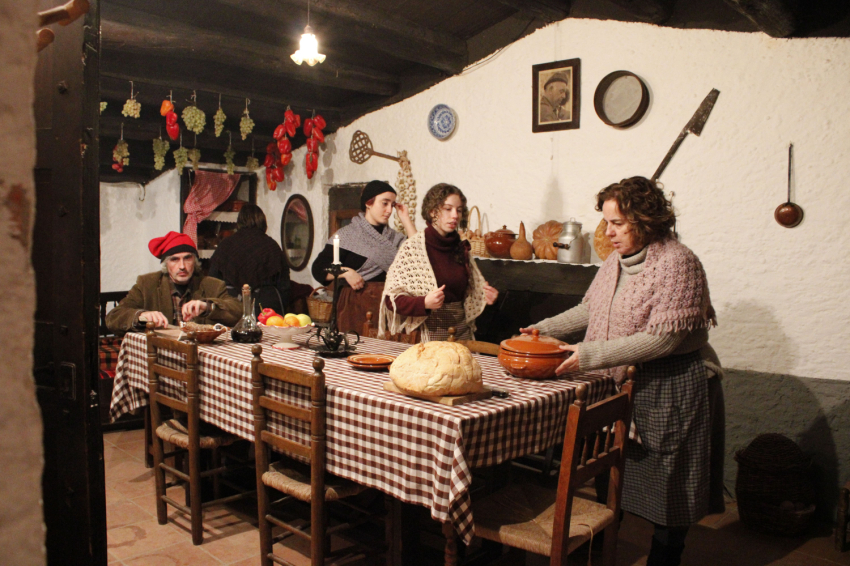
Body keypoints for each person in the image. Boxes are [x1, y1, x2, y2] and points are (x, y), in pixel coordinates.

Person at [524, 176, 724, 566]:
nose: (608, 232)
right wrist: (543, 329)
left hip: (674, 389)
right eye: (606, 222)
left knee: (670, 492)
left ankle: (664, 559)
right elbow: (590, 310)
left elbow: (661, 341)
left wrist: (587, 353)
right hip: (625, 384)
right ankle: (606, 550)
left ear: (645, 220)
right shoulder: (614, 262)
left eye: (617, 223)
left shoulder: (678, 263)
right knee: (614, 480)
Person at [379, 183, 499, 341]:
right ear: (432, 211)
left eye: (459, 210)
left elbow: (470, 291)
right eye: (448, 209)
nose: (455, 215)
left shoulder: (460, 247)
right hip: (427, 335)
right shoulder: (414, 248)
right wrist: (423, 303)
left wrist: (485, 295)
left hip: (461, 333)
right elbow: (391, 299)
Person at [311, 180, 416, 333]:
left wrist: (406, 218)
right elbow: (318, 269)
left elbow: (417, 254)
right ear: (369, 203)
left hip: (388, 308)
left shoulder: (395, 238)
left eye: (392, 205)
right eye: (384, 203)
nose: (389, 210)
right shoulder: (347, 235)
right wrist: (346, 272)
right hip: (355, 308)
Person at [106, 231, 242, 334]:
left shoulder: (213, 285)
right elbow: (113, 317)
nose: (182, 266)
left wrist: (207, 307)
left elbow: (238, 313)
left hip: (199, 356)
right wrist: (141, 315)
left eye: (187, 258)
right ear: (166, 264)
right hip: (161, 354)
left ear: (194, 262)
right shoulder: (147, 284)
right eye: (175, 260)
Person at [208, 203, 290, 315]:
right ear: (263, 222)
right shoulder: (272, 246)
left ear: (239, 221)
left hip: (231, 306)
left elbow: (213, 281)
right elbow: (284, 287)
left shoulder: (226, 245)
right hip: (266, 308)